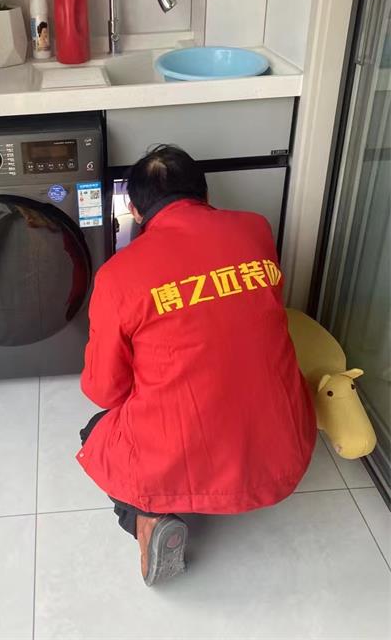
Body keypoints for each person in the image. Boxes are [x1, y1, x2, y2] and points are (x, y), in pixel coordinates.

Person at [77, 145, 316, 587]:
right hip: (284, 448)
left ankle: (146, 520)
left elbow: (104, 390)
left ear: (134, 211)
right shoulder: (256, 230)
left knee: (95, 431)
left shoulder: (117, 276)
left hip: (186, 456)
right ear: (205, 195)